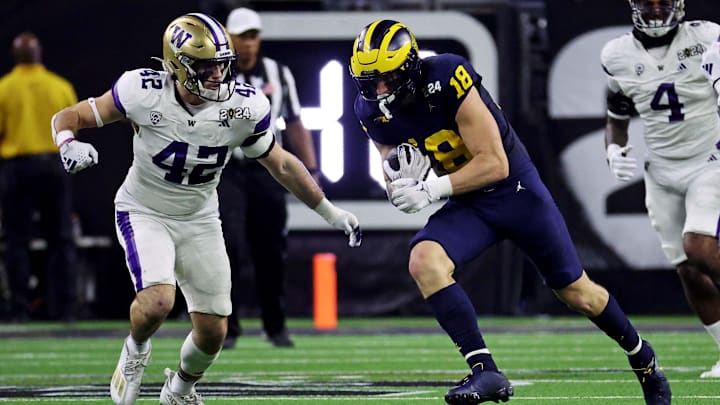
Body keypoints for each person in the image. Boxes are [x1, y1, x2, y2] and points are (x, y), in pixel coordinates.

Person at [350, 19, 671, 405]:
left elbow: (494, 164)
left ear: (410, 66)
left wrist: (431, 188)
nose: (379, 91)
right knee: (424, 260)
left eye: (386, 79)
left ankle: (644, 359)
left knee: (578, 293)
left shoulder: (447, 74)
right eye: (369, 83)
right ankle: (486, 372)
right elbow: (391, 166)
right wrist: (399, 187)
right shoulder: (369, 109)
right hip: (469, 203)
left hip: (515, 192)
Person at [51, 13, 361, 405]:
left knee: (214, 330)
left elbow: (281, 163)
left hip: (200, 218)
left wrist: (331, 213)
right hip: (145, 209)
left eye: (222, 64)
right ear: (178, 66)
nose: (218, 74)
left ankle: (179, 389)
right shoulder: (142, 90)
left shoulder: (243, 106)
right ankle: (135, 349)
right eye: (206, 66)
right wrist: (67, 142)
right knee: (157, 302)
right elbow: (70, 115)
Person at [602, 0, 720, 379]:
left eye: (662, 3)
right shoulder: (616, 54)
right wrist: (613, 147)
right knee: (688, 271)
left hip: (709, 158)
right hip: (662, 172)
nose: (655, 11)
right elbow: (617, 114)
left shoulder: (707, 37)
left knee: (700, 247)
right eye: (648, 4)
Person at [219, 7, 319, 349]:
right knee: (227, 246)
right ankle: (227, 327)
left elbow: (294, 121)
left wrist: (311, 168)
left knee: (271, 249)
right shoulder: (216, 73)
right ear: (228, 38)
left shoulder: (278, 73)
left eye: (253, 36)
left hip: (266, 169)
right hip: (227, 170)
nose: (248, 44)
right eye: (242, 37)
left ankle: (275, 326)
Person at [0, 32, 78, 322]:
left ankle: (20, 307)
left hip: (17, 167)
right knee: (61, 238)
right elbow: (73, 128)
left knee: (17, 239)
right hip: (54, 165)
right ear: (39, 53)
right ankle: (65, 307)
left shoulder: (5, 88)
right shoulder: (60, 87)